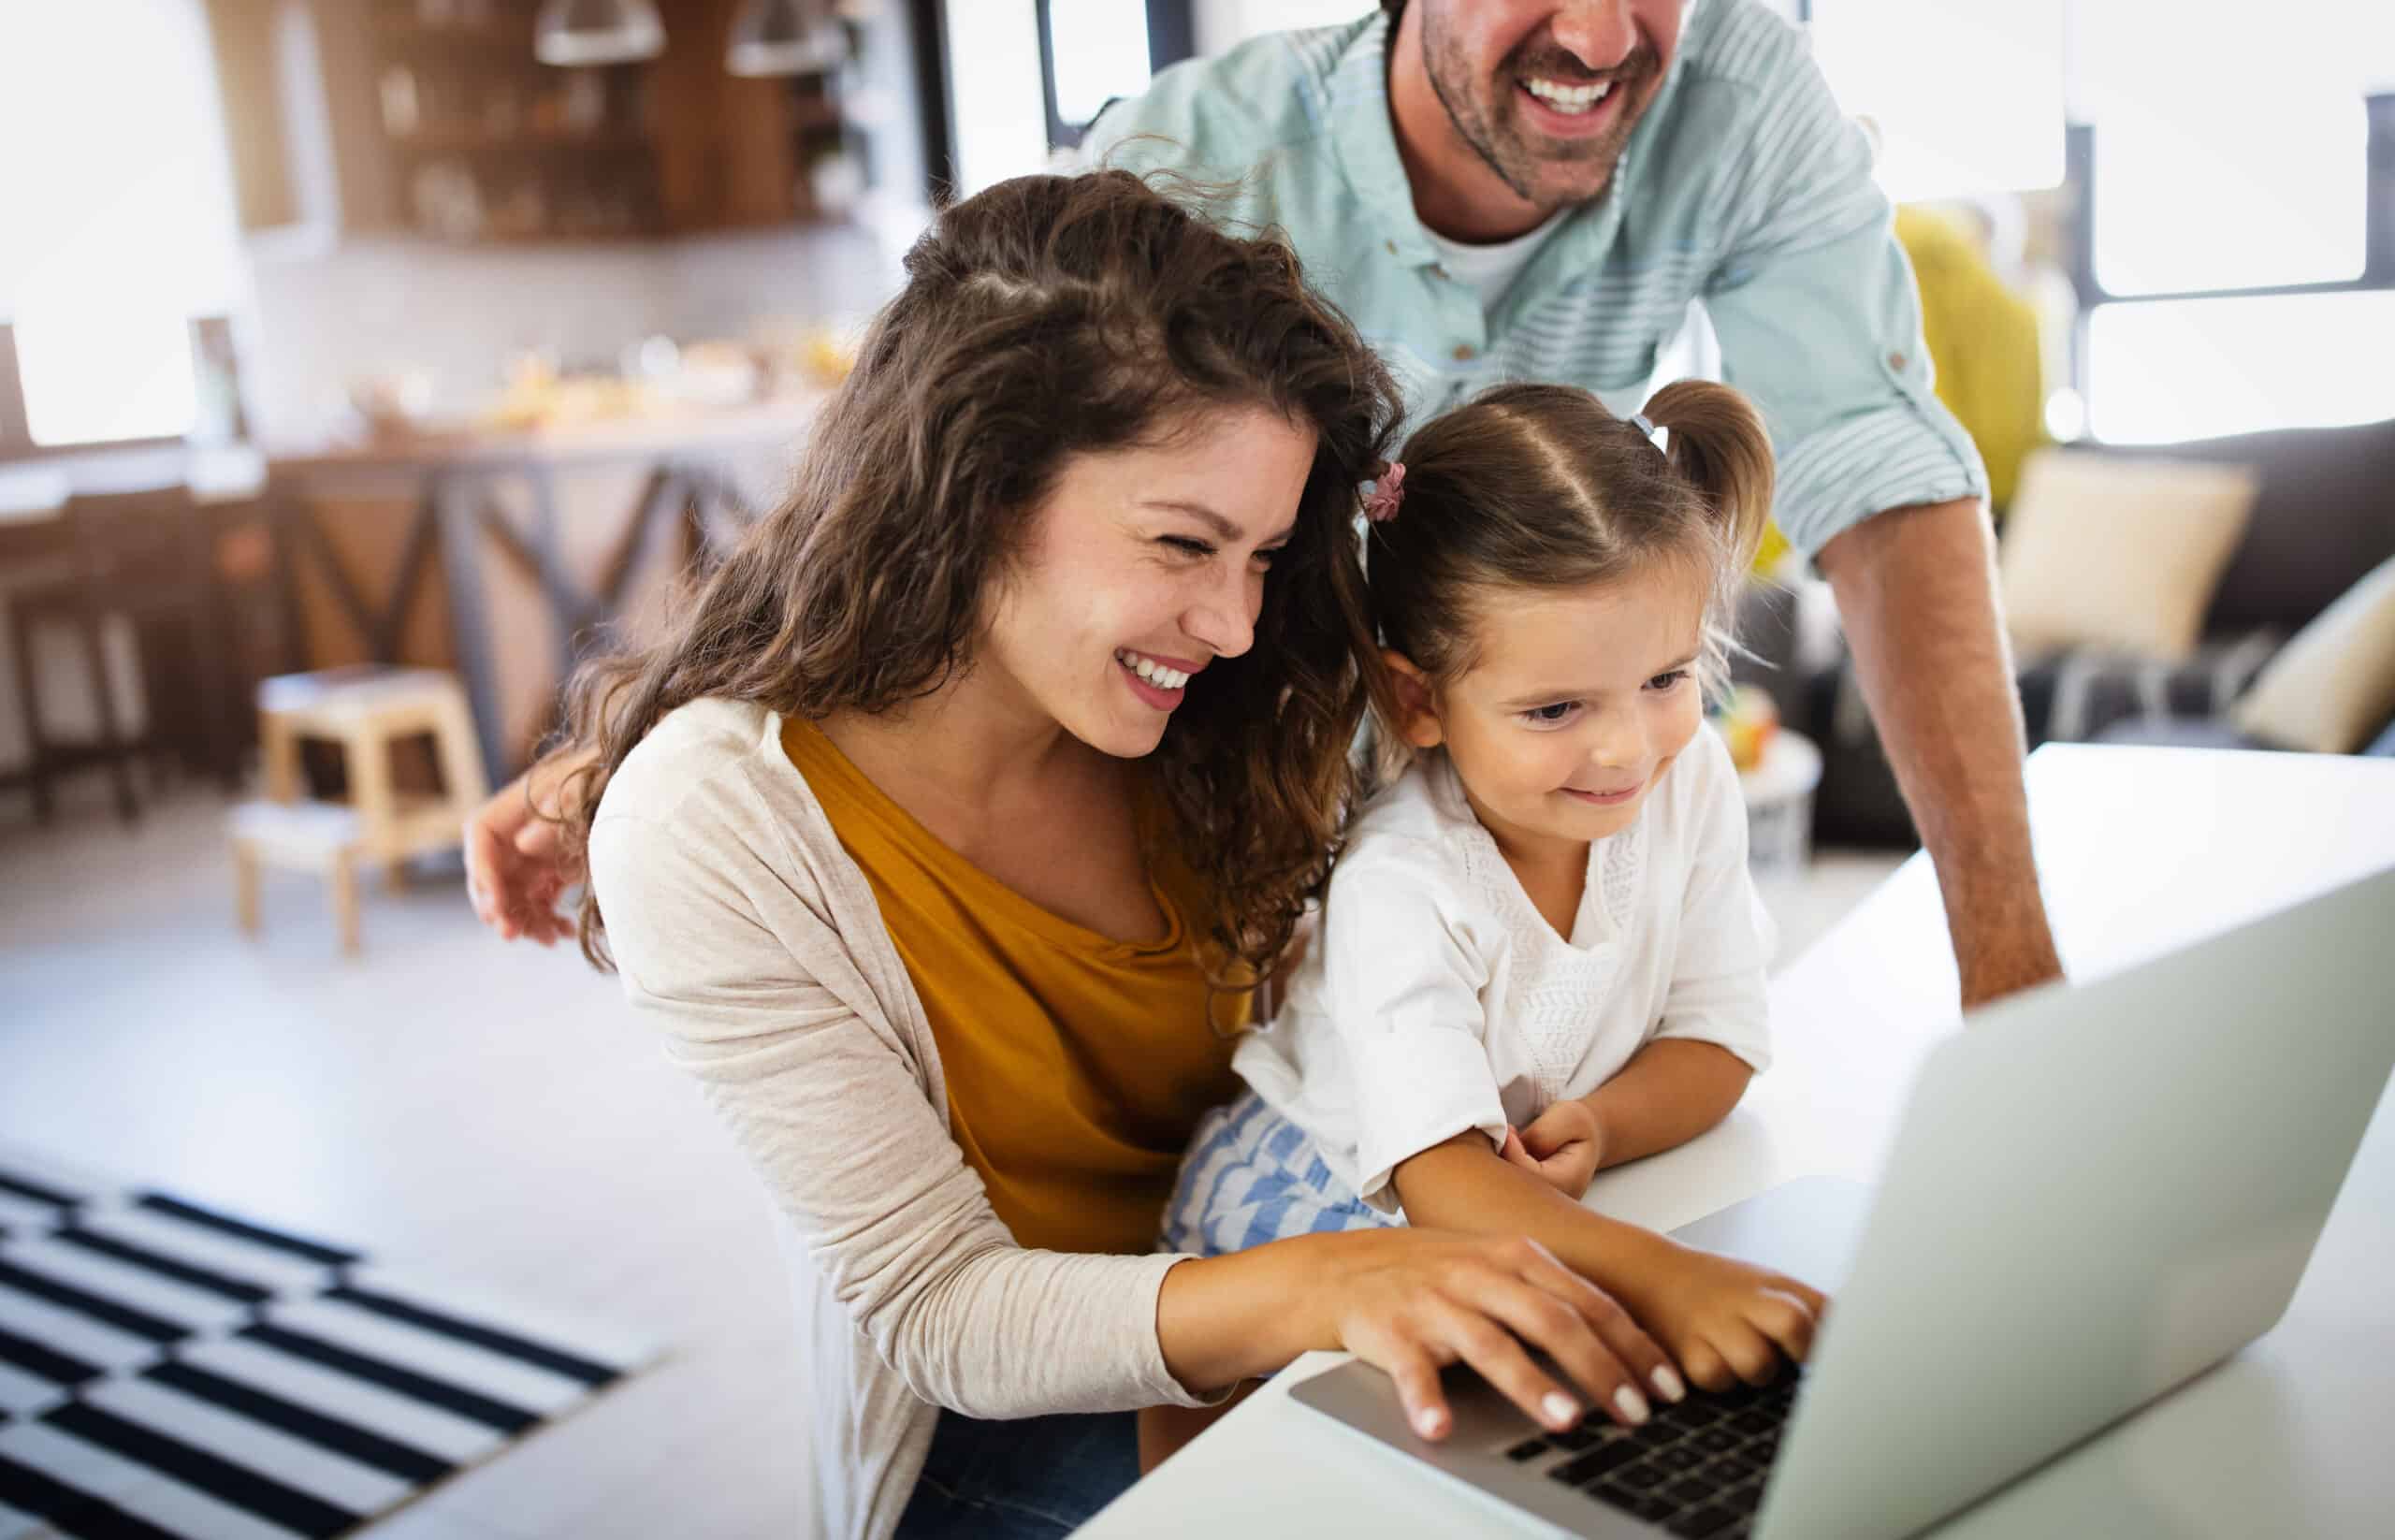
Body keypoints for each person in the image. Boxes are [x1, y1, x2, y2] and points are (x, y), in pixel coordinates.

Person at [498, 169, 1711, 1540]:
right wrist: (1333, 1287)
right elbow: (946, 1311)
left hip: (1304, 1301)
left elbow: (1523, 696)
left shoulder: (1238, 699)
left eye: (1259, 555)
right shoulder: (726, 827)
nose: (1237, 621)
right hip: (1022, 1413)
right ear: (970, 485)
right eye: (1183, 544)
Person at [1076, 0, 2064, 1010]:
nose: (1597, 40)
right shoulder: (1186, 165)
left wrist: (2013, 988)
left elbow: (1879, 471)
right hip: (1211, 850)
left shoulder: (1744, 97)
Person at [1143, 378, 1823, 1463]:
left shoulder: (1686, 781)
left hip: (1496, 1204)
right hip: (1323, 1209)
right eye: (1555, 708)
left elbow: (1719, 1038)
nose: (1626, 747)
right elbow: (1440, 1178)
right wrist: (1672, 1278)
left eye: (1664, 677)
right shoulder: (1405, 881)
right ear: (1417, 701)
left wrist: (1604, 1123)